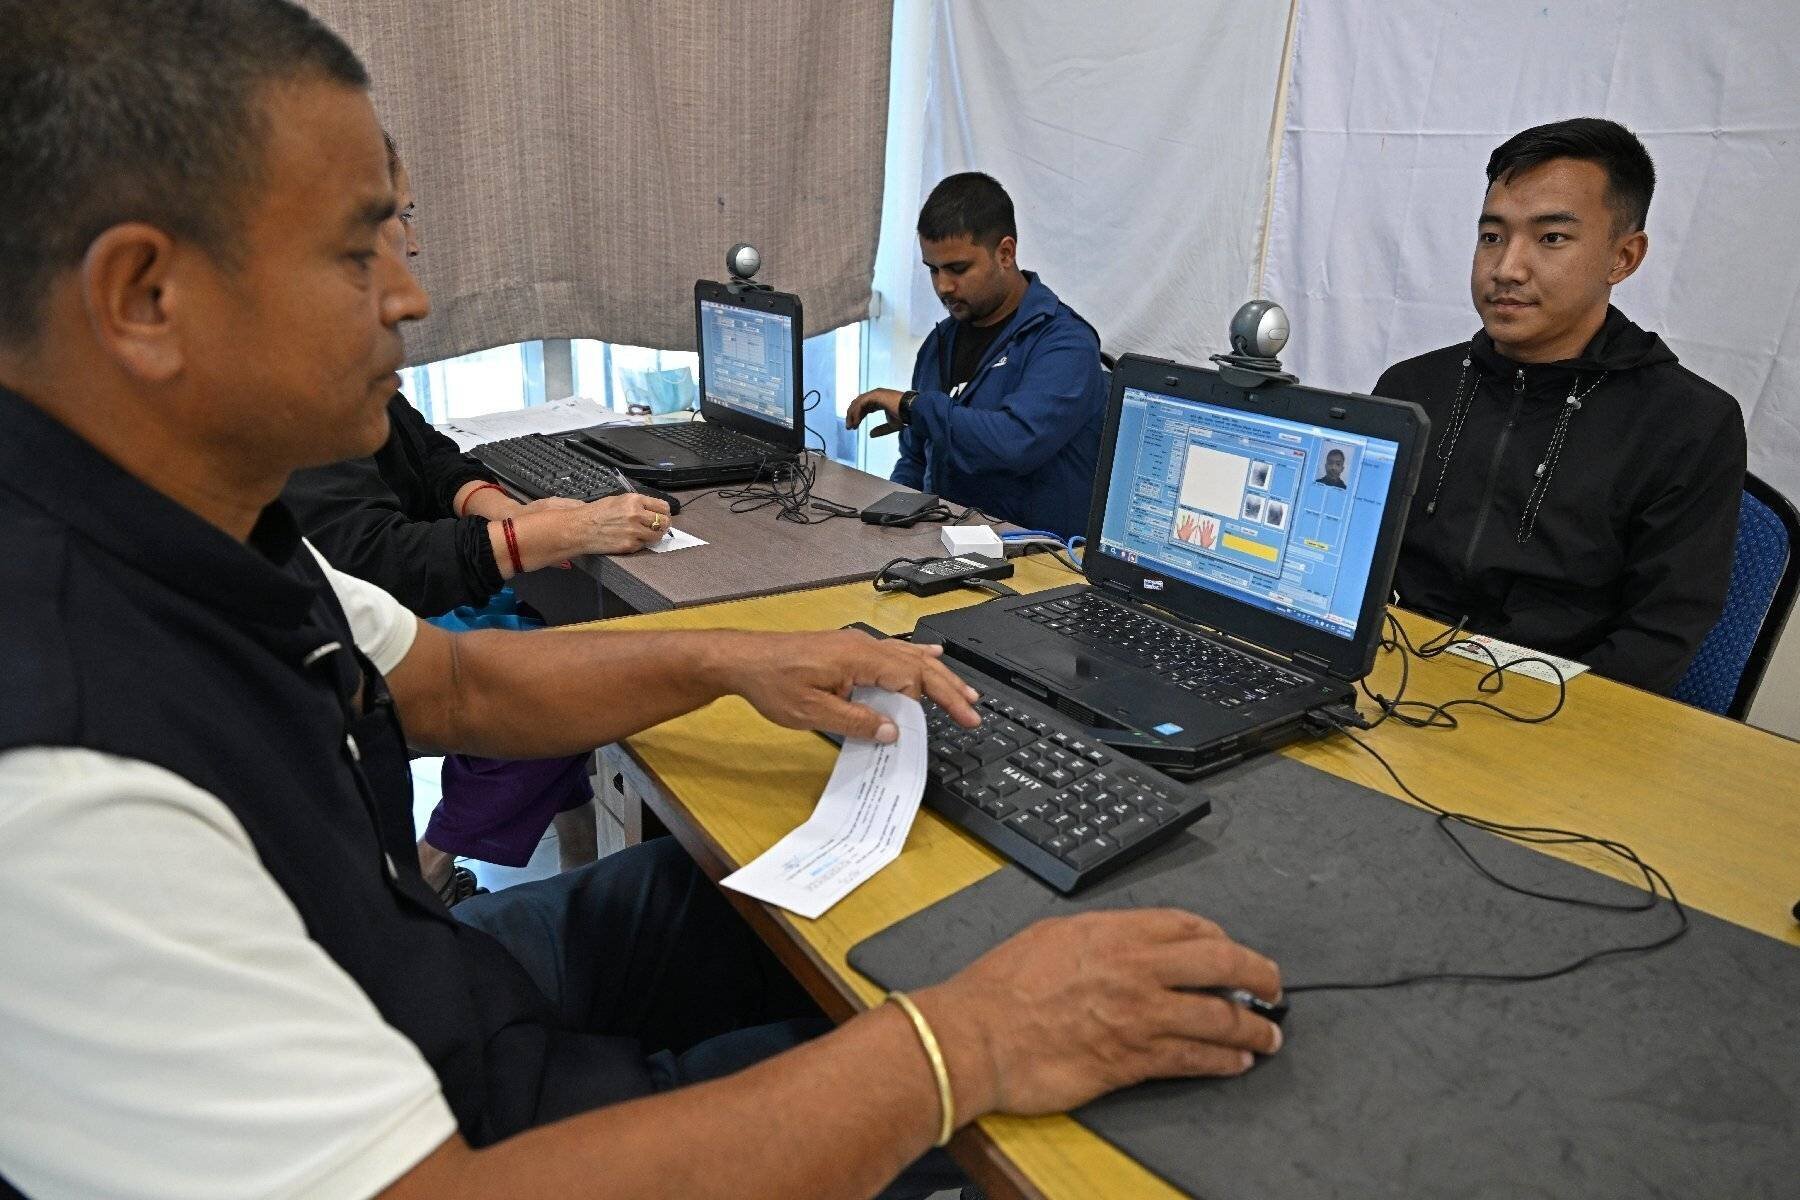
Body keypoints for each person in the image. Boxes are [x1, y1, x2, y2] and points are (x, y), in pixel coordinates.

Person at [0, 5, 1284, 1199]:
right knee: (1007, 1087)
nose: (411, 294)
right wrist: (971, 1046)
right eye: (356, 251)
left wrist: (738, 657)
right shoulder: (58, 770)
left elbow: (453, 685)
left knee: (817, 907)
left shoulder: (205, 526)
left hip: (424, 990)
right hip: (471, 1119)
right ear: (144, 299)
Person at [283, 134, 670, 900]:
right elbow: (376, 558)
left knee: (551, 631)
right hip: (368, 616)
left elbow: (428, 454)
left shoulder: (346, 350)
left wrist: (503, 509)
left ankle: (573, 856)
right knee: (553, 665)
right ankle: (425, 874)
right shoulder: (293, 383)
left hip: (383, 602)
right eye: (404, 218)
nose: (417, 250)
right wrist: (542, 535)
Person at [1371, 118, 1746, 694]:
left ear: (1622, 257)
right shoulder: (1414, 386)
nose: (1507, 269)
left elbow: (1658, 638)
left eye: (1551, 238)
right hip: (1388, 675)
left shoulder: (1688, 424)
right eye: (1493, 236)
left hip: (1553, 708)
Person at [845, 173, 1107, 539]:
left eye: (958, 269)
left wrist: (914, 407)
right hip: (945, 550)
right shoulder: (941, 342)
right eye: (933, 270)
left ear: (1005, 253)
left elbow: (1014, 443)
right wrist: (890, 523)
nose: (943, 286)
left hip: (1035, 564)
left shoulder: (1065, 344)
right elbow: (916, 457)